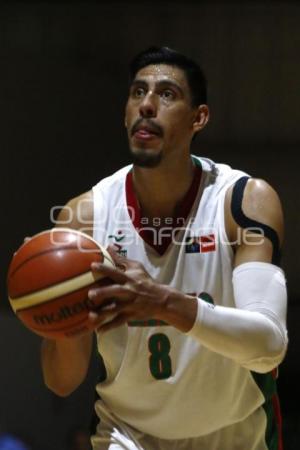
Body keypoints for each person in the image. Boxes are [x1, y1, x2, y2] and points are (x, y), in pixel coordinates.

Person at [41, 46, 288, 450]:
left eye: (167, 94)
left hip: (236, 433)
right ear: (124, 114)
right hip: (128, 434)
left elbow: (267, 347)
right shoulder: (83, 218)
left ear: (199, 118)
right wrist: (62, 321)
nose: (147, 105)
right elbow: (62, 382)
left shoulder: (241, 201)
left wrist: (159, 301)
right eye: (138, 93)